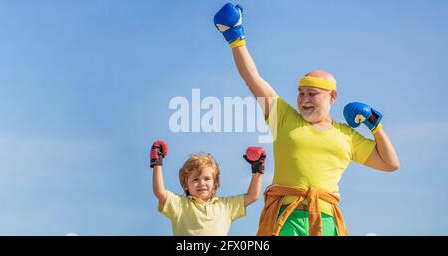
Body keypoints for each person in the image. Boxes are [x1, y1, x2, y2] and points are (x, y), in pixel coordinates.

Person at [213, 3, 400, 236]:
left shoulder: (347, 136)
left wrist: (375, 124)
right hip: (286, 217)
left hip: (325, 220)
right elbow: (253, 79)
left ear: (332, 97)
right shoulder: (283, 117)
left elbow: (390, 163)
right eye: (301, 93)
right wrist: (235, 37)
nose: (304, 99)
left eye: (312, 93)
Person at [150, 140, 266, 235]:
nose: (201, 183)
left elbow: (253, 196)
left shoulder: (225, 206)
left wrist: (257, 170)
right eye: (195, 179)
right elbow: (160, 192)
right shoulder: (180, 204)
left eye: (207, 179)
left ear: (215, 184)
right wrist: (157, 163)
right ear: (186, 185)